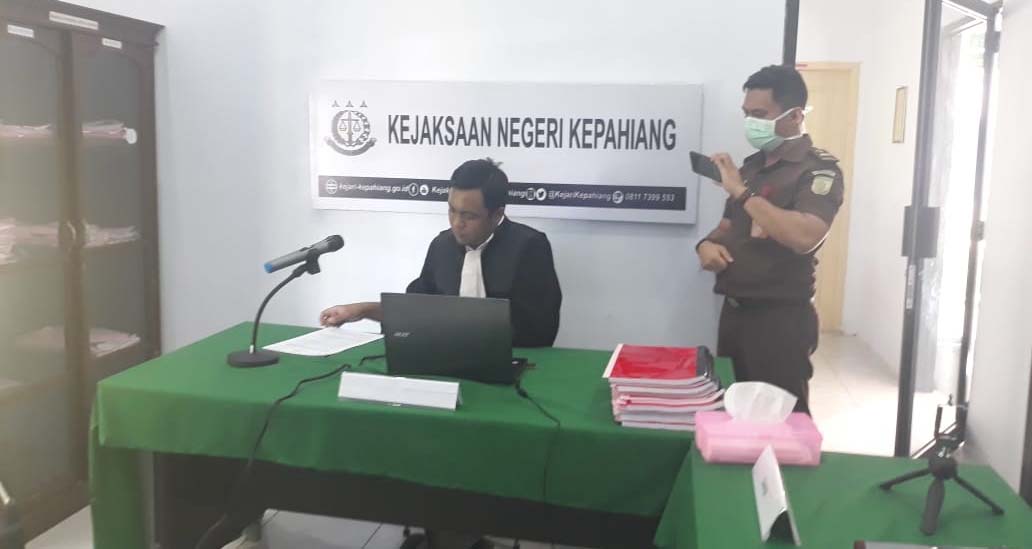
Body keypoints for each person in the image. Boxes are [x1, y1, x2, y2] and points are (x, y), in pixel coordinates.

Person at [696, 64, 845, 414]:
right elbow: (726, 229)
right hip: (735, 315)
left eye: (760, 115)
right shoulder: (751, 168)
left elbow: (805, 236)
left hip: (779, 321)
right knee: (732, 417)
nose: (751, 123)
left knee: (781, 424)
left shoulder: (817, 170)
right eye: (746, 114)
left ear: (795, 116)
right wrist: (705, 245)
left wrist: (741, 192)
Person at [320, 158, 562, 349]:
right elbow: (414, 310)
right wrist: (362, 310)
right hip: (441, 358)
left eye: (469, 216)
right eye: (452, 211)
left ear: (497, 214)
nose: (457, 223)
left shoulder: (529, 247)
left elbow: (541, 331)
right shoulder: (442, 246)